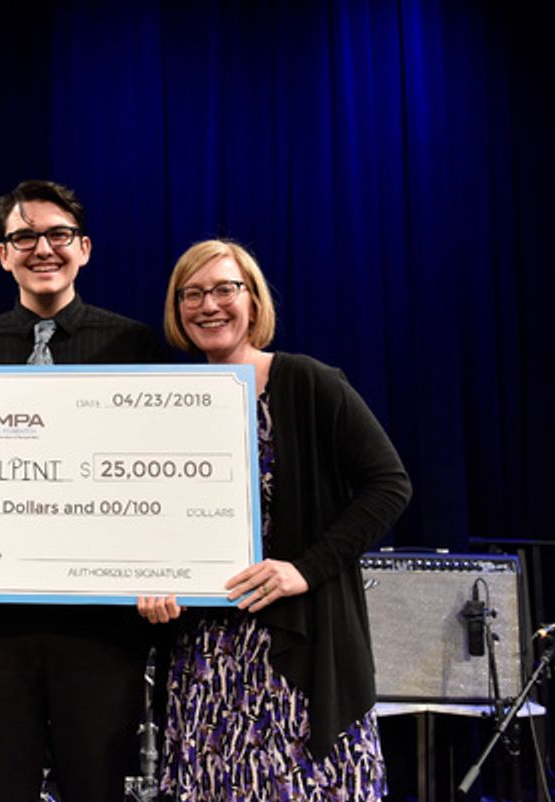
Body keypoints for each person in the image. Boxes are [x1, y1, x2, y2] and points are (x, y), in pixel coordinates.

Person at [138, 239, 412, 800]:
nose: (207, 305)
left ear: (254, 300)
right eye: (191, 294)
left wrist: (304, 570)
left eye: (223, 289)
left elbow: (390, 485)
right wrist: (152, 581)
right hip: (206, 654)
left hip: (299, 647)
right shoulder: (169, 400)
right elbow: (154, 516)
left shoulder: (309, 382)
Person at [0, 179, 164, 802]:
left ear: (84, 248)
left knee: (96, 786)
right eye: (23, 236)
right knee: (1, 787)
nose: (42, 248)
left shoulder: (137, 348)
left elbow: (164, 471)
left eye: (57, 235)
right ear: (3, 255)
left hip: (101, 625)